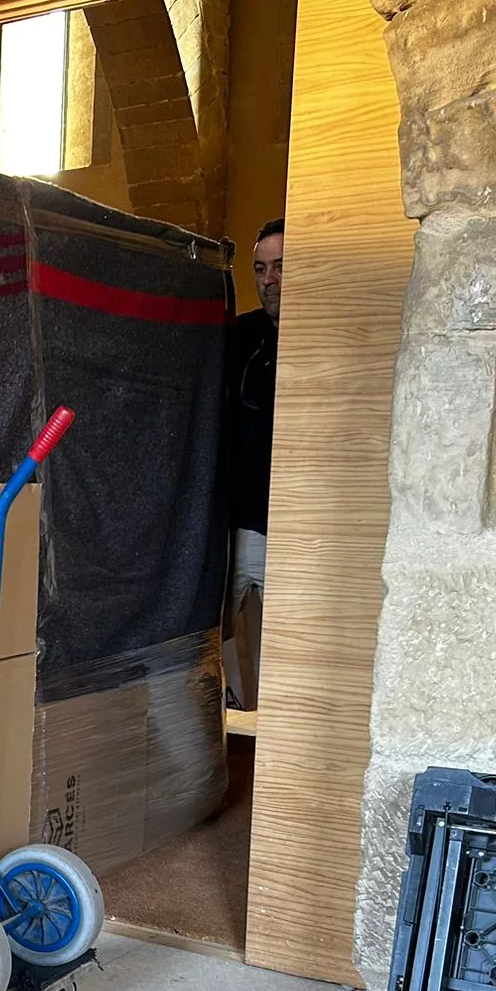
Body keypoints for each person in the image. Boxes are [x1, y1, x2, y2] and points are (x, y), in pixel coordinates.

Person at [221, 217, 282, 707]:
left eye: (281, 266)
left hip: (295, 530)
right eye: (260, 269)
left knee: (286, 653)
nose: (269, 279)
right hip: (236, 525)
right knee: (215, 645)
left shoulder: (327, 337)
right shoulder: (241, 335)